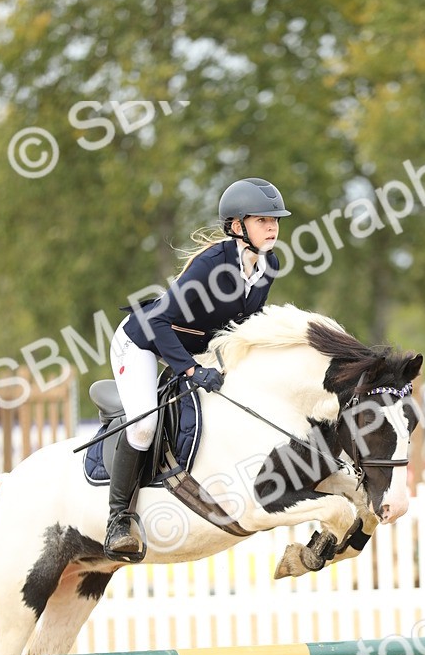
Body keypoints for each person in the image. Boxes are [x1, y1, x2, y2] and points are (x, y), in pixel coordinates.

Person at [103, 177, 291, 560]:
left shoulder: (268, 265)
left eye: (275, 221)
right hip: (140, 341)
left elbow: (243, 326)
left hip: (192, 345)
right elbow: (157, 323)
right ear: (237, 226)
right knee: (143, 425)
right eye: (262, 221)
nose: (272, 228)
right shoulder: (211, 265)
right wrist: (190, 371)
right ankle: (118, 518)